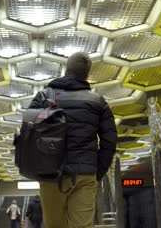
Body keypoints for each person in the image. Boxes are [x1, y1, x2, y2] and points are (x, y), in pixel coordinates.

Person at [28, 52, 117, 228]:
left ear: (66, 71)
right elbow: (109, 141)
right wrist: (95, 172)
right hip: (85, 175)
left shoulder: (44, 96)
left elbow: (28, 133)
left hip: (52, 173)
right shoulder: (98, 102)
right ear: (86, 75)